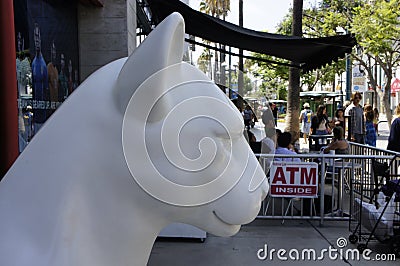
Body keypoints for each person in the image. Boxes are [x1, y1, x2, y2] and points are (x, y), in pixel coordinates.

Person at [31, 23, 49, 134]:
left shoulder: (43, 64)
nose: (37, 41)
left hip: (43, 108)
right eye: (35, 37)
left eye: (38, 37)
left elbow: (46, 87)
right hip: (36, 106)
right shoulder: (33, 64)